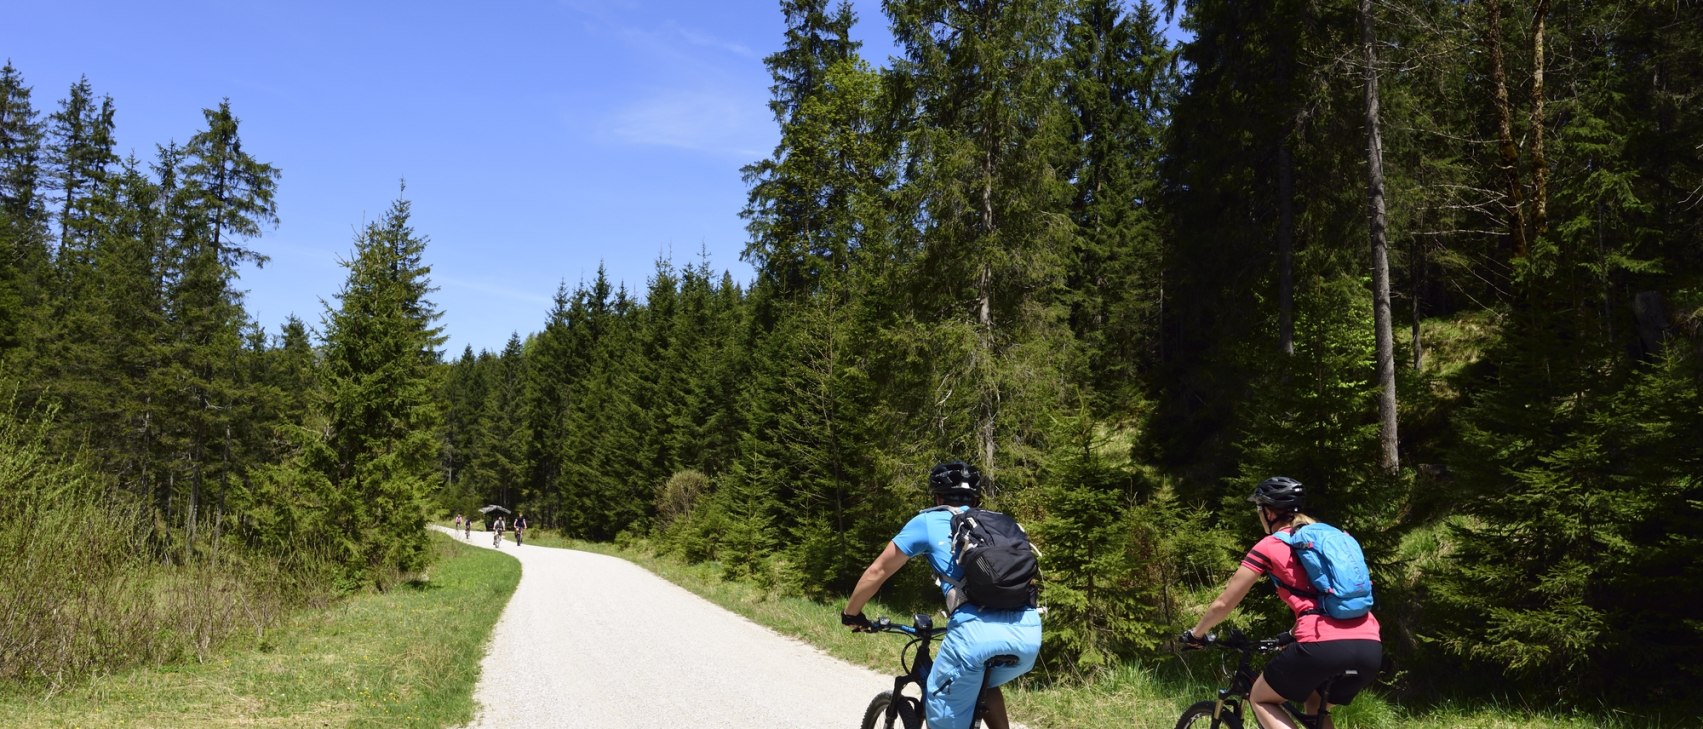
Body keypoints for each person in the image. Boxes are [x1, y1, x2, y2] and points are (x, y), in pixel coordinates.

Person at [841, 461, 1042, 729]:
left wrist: (851, 613)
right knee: (982, 681)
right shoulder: (999, 523)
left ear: (937, 497)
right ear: (976, 499)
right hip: (1028, 634)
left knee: (943, 708)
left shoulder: (926, 522)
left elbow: (878, 571)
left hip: (974, 638)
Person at [1182, 476, 1382, 729]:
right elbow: (1324, 600)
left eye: (1259, 509)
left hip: (1322, 645)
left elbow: (1224, 603)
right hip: (1370, 647)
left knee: (1260, 698)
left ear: (1269, 512)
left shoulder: (1270, 545)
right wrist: (1291, 634)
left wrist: (1196, 634)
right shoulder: (1327, 540)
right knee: (1314, 703)